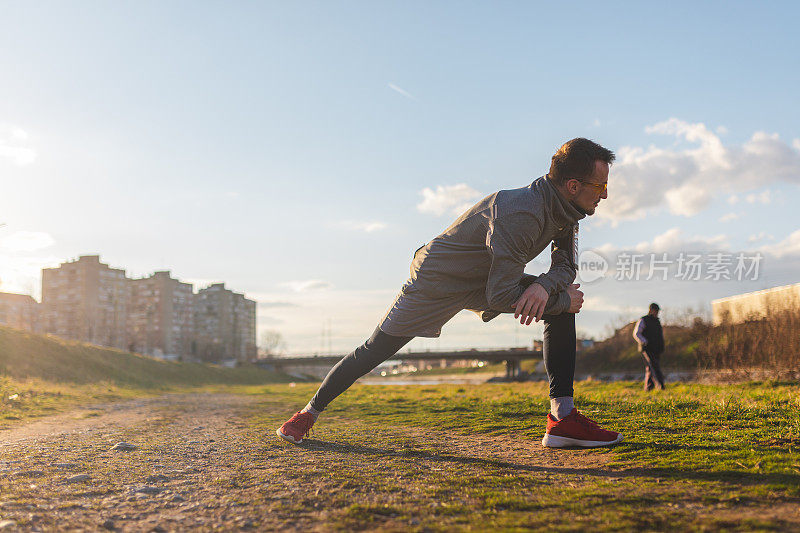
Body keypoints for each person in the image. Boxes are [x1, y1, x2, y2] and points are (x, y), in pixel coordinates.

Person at [277, 138, 623, 448]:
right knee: (375, 349)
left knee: (561, 306)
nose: (605, 194)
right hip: (438, 278)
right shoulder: (522, 213)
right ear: (573, 185)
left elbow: (565, 267)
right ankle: (307, 413)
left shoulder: (570, 210)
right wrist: (557, 298)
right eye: (601, 185)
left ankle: (562, 419)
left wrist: (545, 287)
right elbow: (503, 296)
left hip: (490, 275)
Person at [633, 303, 666, 391]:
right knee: (654, 366)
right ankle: (661, 386)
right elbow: (636, 333)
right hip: (647, 348)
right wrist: (645, 342)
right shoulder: (643, 320)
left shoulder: (657, 321)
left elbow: (660, 336)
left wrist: (661, 345)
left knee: (650, 368)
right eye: (656, 310)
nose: (657, 312)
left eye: (658, 311)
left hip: (657, 348)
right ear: (651, 310)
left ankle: (648, 388)